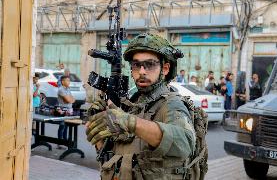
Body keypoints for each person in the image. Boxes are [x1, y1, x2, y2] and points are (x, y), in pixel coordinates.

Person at [86, 33, 197, 179]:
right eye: (136, 65)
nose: (142, 71)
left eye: (150, 65)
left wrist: (131, 122)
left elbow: (185, 143)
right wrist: (101, 136)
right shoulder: (134, 102)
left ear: (165, 69)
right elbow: (117, 154)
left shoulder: (171, 104)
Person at [57, 75, 75, 149]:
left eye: (69, 80)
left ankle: (65, 141)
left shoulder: (68, 89)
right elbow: (68, 100)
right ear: (62, 81)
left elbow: (73, 99)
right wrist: (69, 99)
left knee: (67, 126)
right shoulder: (61, 89)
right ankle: (60, 143)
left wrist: (70, 99)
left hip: (69, 109)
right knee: (62, 126)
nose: (69, 82)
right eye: (67, 80)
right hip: (63, 109)